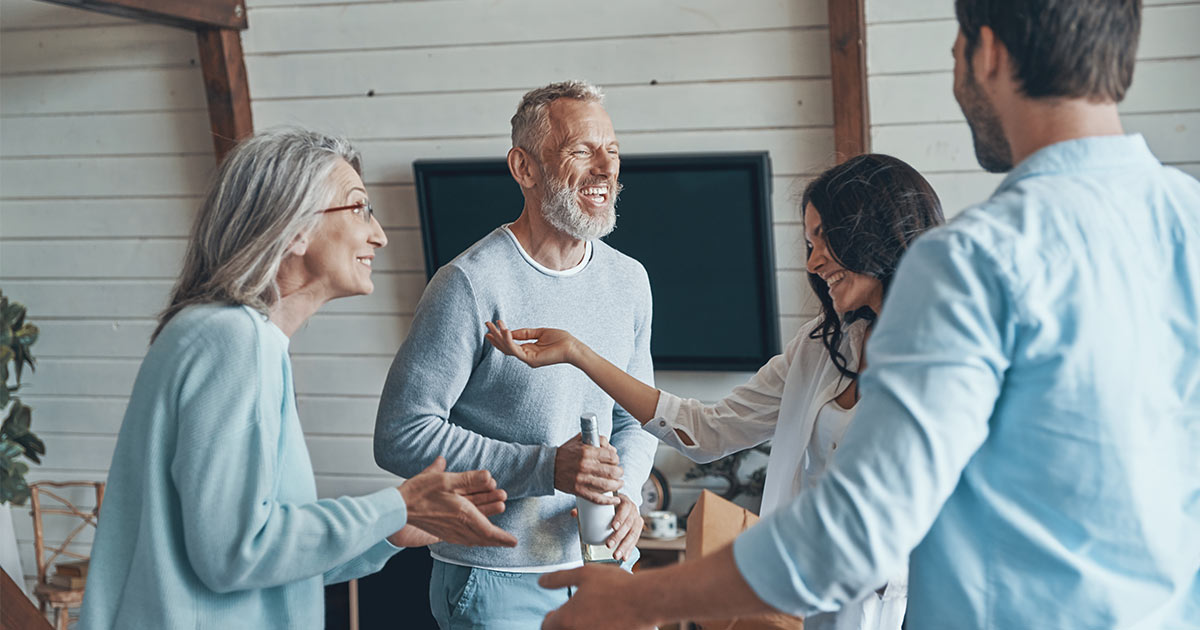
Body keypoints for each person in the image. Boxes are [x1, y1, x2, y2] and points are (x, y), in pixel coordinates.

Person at [532, 1, 1200, 628]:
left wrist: (636, 599)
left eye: (955, 50)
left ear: (989, 52)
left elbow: (854, 534)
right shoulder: (1189, 226)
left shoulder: (973, 262)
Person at [78, 129, 518, 630]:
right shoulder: (233, 339)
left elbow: (260, 560)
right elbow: (234, 554)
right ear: (294, 229)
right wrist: (396, 505)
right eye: (359, 208)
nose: (378, 234)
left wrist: (394, 527)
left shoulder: (225, 335)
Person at [486, 153, 943, 630]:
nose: (813, 261)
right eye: (809, 244)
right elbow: (707, 432)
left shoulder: (945, 366)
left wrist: (646, 598)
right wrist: (579, 354)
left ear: (874, 231)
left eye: (825, 239)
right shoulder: (820, 347)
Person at [373, 80, 658, 628]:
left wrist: (625, 493)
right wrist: (546, 467)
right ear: (524, 168)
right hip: (495, 580)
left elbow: (636, 418)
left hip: (605, 570)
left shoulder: (630, 280)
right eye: (581, 151)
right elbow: (401, 434)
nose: (605, 169)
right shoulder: (468, 284)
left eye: (612, 151)